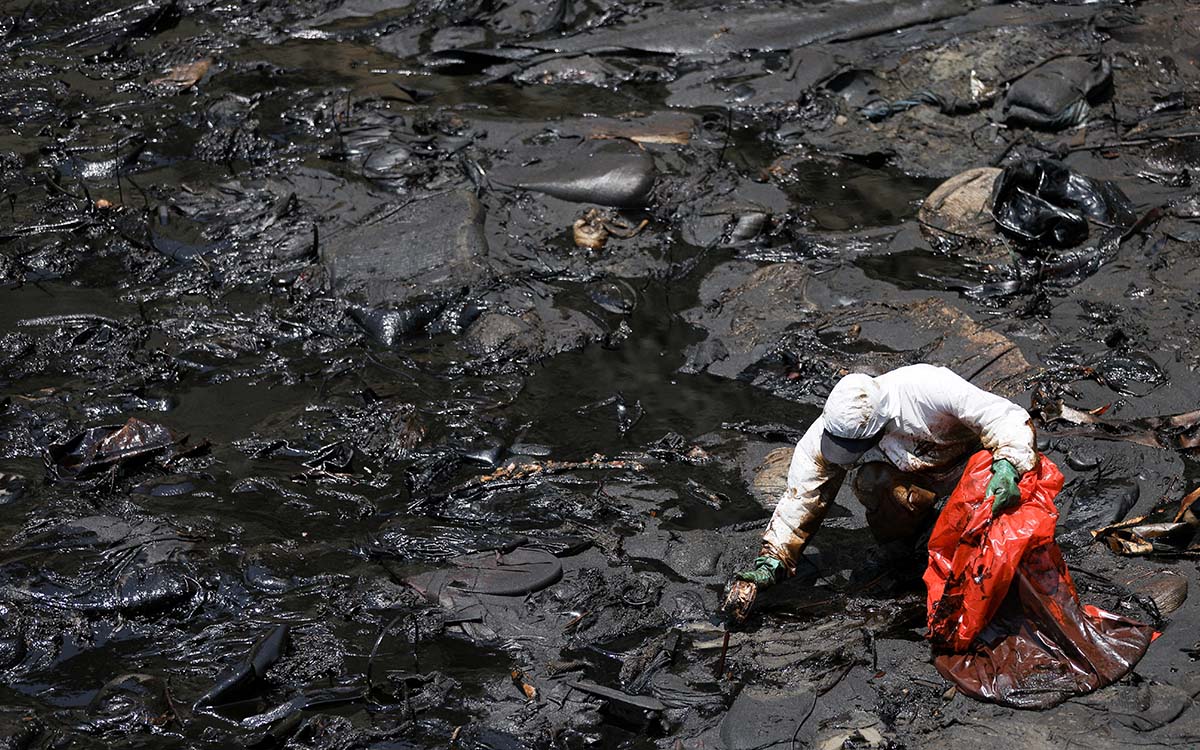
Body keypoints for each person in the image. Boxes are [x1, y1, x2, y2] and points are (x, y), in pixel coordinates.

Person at [724, 363, 1036, 621]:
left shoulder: (928, 387)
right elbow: (802, 496)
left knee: (991, 535)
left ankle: (972, 542)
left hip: (973, 470)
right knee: (869, 480)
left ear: (880, 422)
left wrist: (1008, 464)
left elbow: (1004, 416)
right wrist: (773, 558)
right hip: (920, 481)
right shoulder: (827, 431)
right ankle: (910, 549)